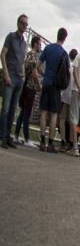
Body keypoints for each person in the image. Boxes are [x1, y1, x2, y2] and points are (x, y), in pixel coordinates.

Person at [37, 28, 68, 153]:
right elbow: (66, 73)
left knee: (43, 111)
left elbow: (38, 65)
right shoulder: (64, 53)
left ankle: (42, 141)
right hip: (56, 86)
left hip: (46, 83)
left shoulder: (48, 48)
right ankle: (50, 143)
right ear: (65, 38)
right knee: (54, 113)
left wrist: (44, 74)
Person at [1, 14, 29, 149]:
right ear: (18, 23)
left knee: (13, 109)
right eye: (23, 23)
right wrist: (6, 73)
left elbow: (22, 61)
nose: (24, 26)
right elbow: (3, 54)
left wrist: (23, 76)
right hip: (10, 75)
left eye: (26, 24)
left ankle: (7, 136)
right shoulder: (11, 37)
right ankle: (2, 136)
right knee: (5, 108)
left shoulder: (24, 43)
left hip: (19, 78)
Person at [14, 35, 42, 146]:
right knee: (27, 112)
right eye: (39, 44)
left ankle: (16, 135)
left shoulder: (28, 55)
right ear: (35, 44)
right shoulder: (33, 56)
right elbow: (35, 74)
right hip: (30, 87)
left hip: (25, 86)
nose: (40, 46)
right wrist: (38, 85)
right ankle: (26, 138)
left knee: (23, 112)